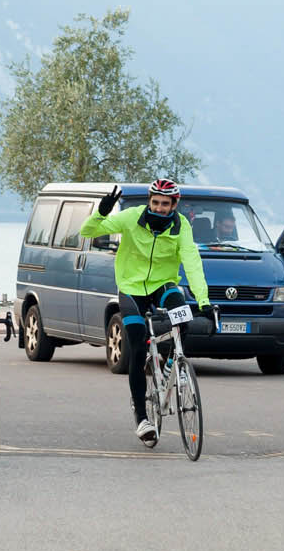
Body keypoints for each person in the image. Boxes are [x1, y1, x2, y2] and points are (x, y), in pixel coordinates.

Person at [80, 179, 214, 444]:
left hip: (163, 284)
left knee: (183, 320)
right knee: (137, 345)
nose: (159, 208)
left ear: (174, 205)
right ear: (149, 201)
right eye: (155, 202)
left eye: (165, 203)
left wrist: (204, 301)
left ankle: (172, 365)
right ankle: (142, 418)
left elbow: (192, 262)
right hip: (131, 288)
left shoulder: (181, 226)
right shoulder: (131, 217)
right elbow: (88, 231)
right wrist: (101, 212)